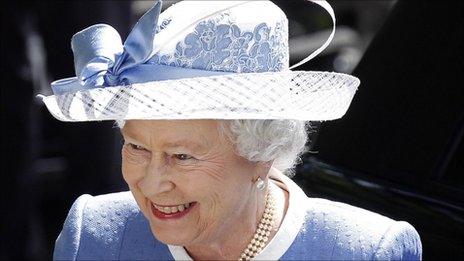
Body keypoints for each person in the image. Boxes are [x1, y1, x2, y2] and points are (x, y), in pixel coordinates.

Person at [39, 0, 422, 260]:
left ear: (261, 154)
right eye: (137, 148)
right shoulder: (94, 235)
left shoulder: (363, 250)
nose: (153, 183)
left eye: (182, 156)